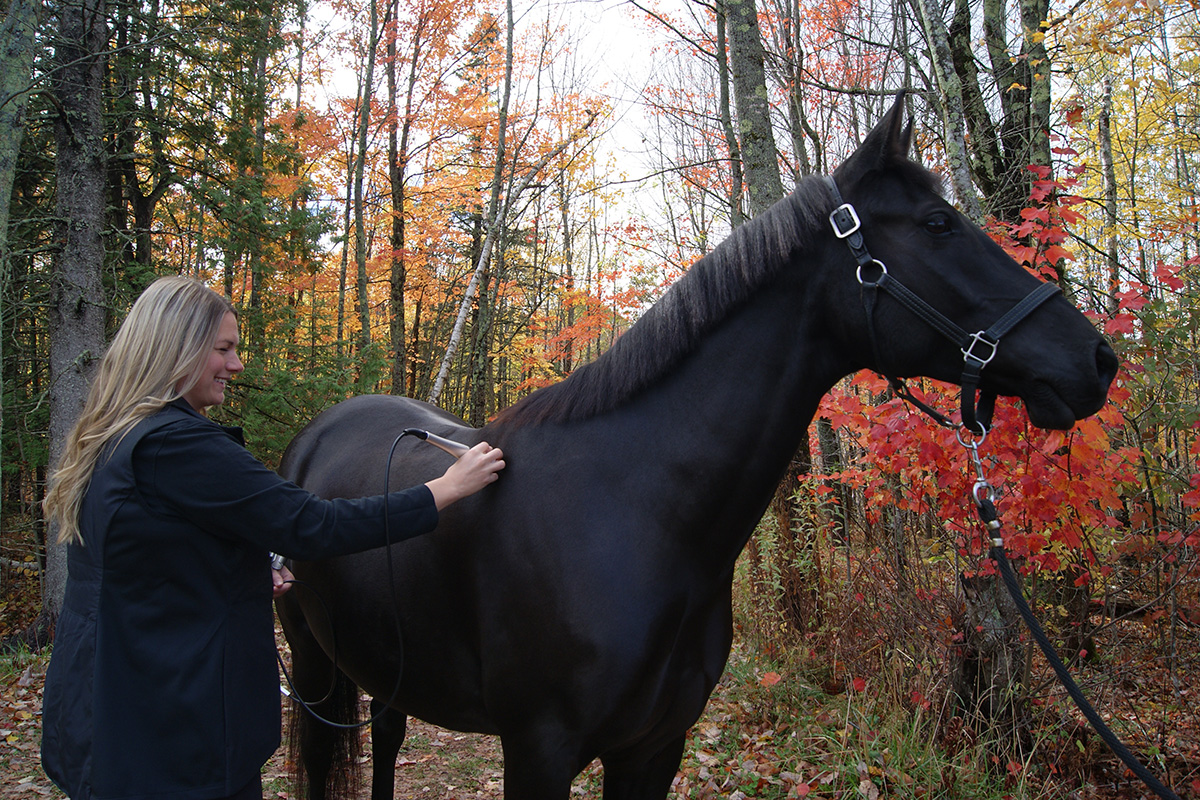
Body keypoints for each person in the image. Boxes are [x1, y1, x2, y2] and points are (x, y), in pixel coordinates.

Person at [40, 276, 505, 800]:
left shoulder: (118, 432)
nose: (236, 366)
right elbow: (314, 525)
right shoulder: (177, 445)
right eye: (223, 349)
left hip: (111, 700)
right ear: (175, 349)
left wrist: (237, 565)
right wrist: (444, 489)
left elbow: (143, 552)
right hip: (169, 723)